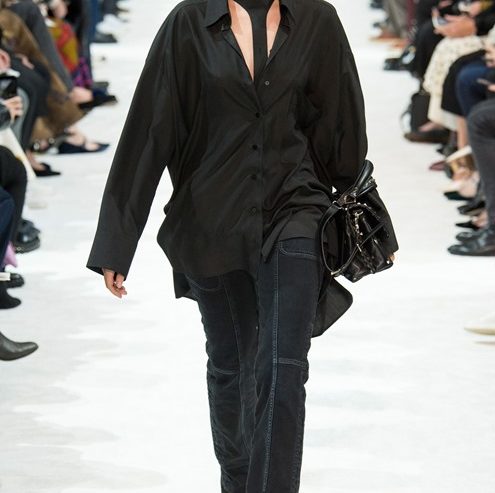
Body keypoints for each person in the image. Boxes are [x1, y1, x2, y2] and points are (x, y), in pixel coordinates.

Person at [86, 0, 398, 491]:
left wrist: (360, 207)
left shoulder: (316, 19)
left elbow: (343, 129)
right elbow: (150, 128)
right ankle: (238, 483)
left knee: (284, 366)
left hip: (296, 209)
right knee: (232, 366)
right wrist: (116, 242)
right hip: (211, 218)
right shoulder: (188, 24)